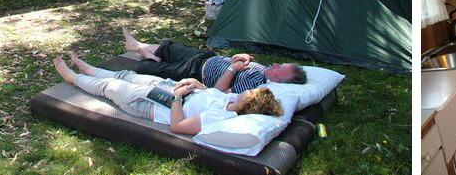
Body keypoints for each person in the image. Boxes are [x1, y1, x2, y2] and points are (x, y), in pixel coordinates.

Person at [53, 54, 283, 135]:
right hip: (171, 88)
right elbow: (213, 93)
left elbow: (178, 126)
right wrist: (196, 84)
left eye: (249, 94)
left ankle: (73, 79)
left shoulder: (220, 119)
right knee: (127, 75)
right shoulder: (230, 101)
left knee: (110, 88)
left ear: (249, 104)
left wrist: (177, 97)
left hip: (155, 104)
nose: (246, 92)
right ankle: (90, 70)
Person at [120, 27, 307, 93]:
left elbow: (219, 92)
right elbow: (252, 62)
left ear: (278, 81)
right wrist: (248, 57)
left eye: (278, 68)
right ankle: (137, 46)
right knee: (170, 48)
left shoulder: (256, 85)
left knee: (144, 68)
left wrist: (233, 69)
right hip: (206, 57)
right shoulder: (265, 70)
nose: (274, 64)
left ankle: (149, 57)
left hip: (195, 73)